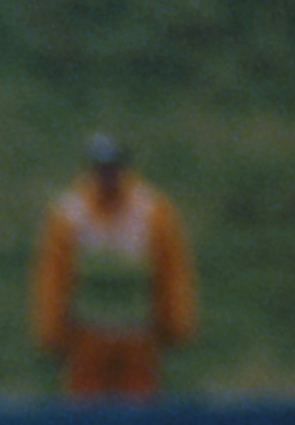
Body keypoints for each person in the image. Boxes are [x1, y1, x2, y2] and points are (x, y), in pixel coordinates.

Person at [32, 134, 195, 399]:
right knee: (85, 414)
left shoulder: (152, 211)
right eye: (101, 169)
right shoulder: (70, 215)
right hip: (88, 335)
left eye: (112, 169)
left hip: (137, 333)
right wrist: (50, 331)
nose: (107, 176)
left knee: (139, 411)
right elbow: (53, 278)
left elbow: (172, 270)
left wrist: (177, 323)